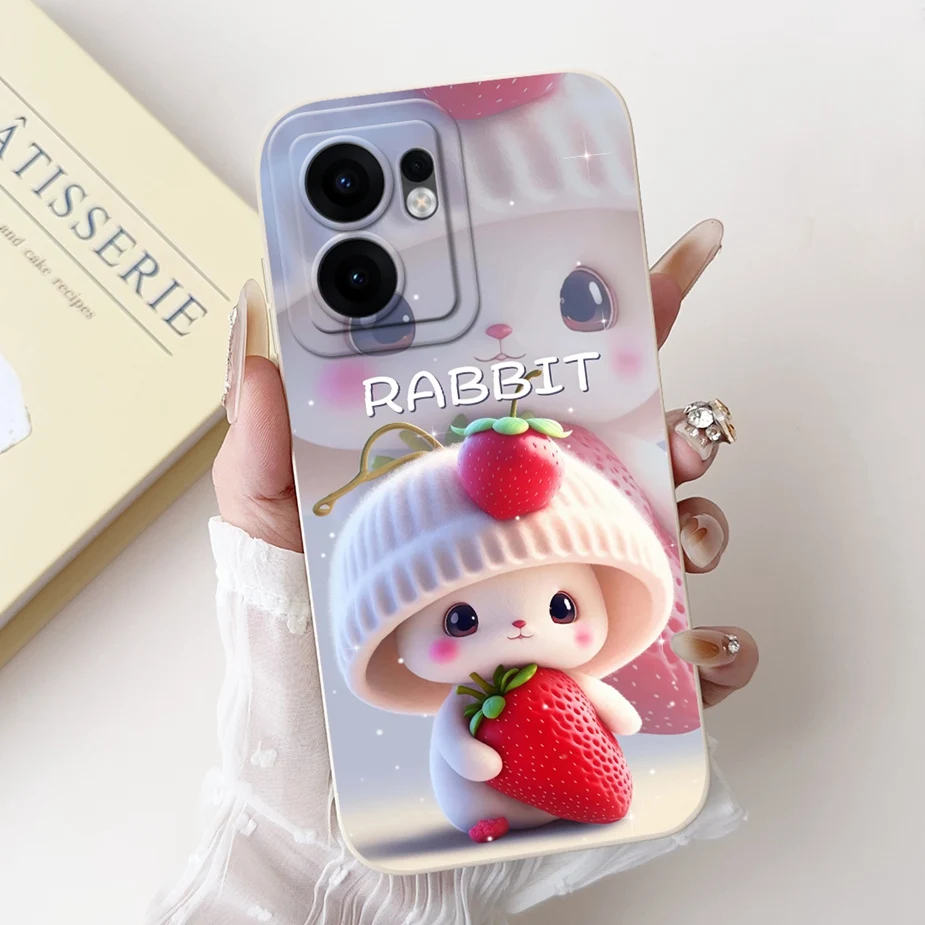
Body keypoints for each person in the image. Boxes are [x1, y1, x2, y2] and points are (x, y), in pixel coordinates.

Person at [147, 219, 758, 925]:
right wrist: (474, 767)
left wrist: (616, 719)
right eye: (460, 620)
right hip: (479, 813)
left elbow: (611, 711)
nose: (523, 628)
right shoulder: (463, 704)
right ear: (392, 637)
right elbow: (458, 752)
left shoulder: (554, 676)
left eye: (562, 608)